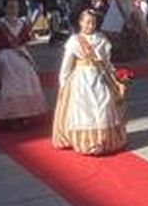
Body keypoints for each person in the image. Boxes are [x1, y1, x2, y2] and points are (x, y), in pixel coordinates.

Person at [51, 8, 126, 154]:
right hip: (81, 78)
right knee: (84, 109)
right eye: (87, 22)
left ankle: (103, 140)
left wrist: (115, 76)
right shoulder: (74, 41)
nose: (90, 26)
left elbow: (106, 62)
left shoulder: (101, 40)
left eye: (93, 23)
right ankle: (86, 141)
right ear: (80, 23)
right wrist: (63, 83)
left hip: (99, 76)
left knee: (103, 105)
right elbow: (66, 64)